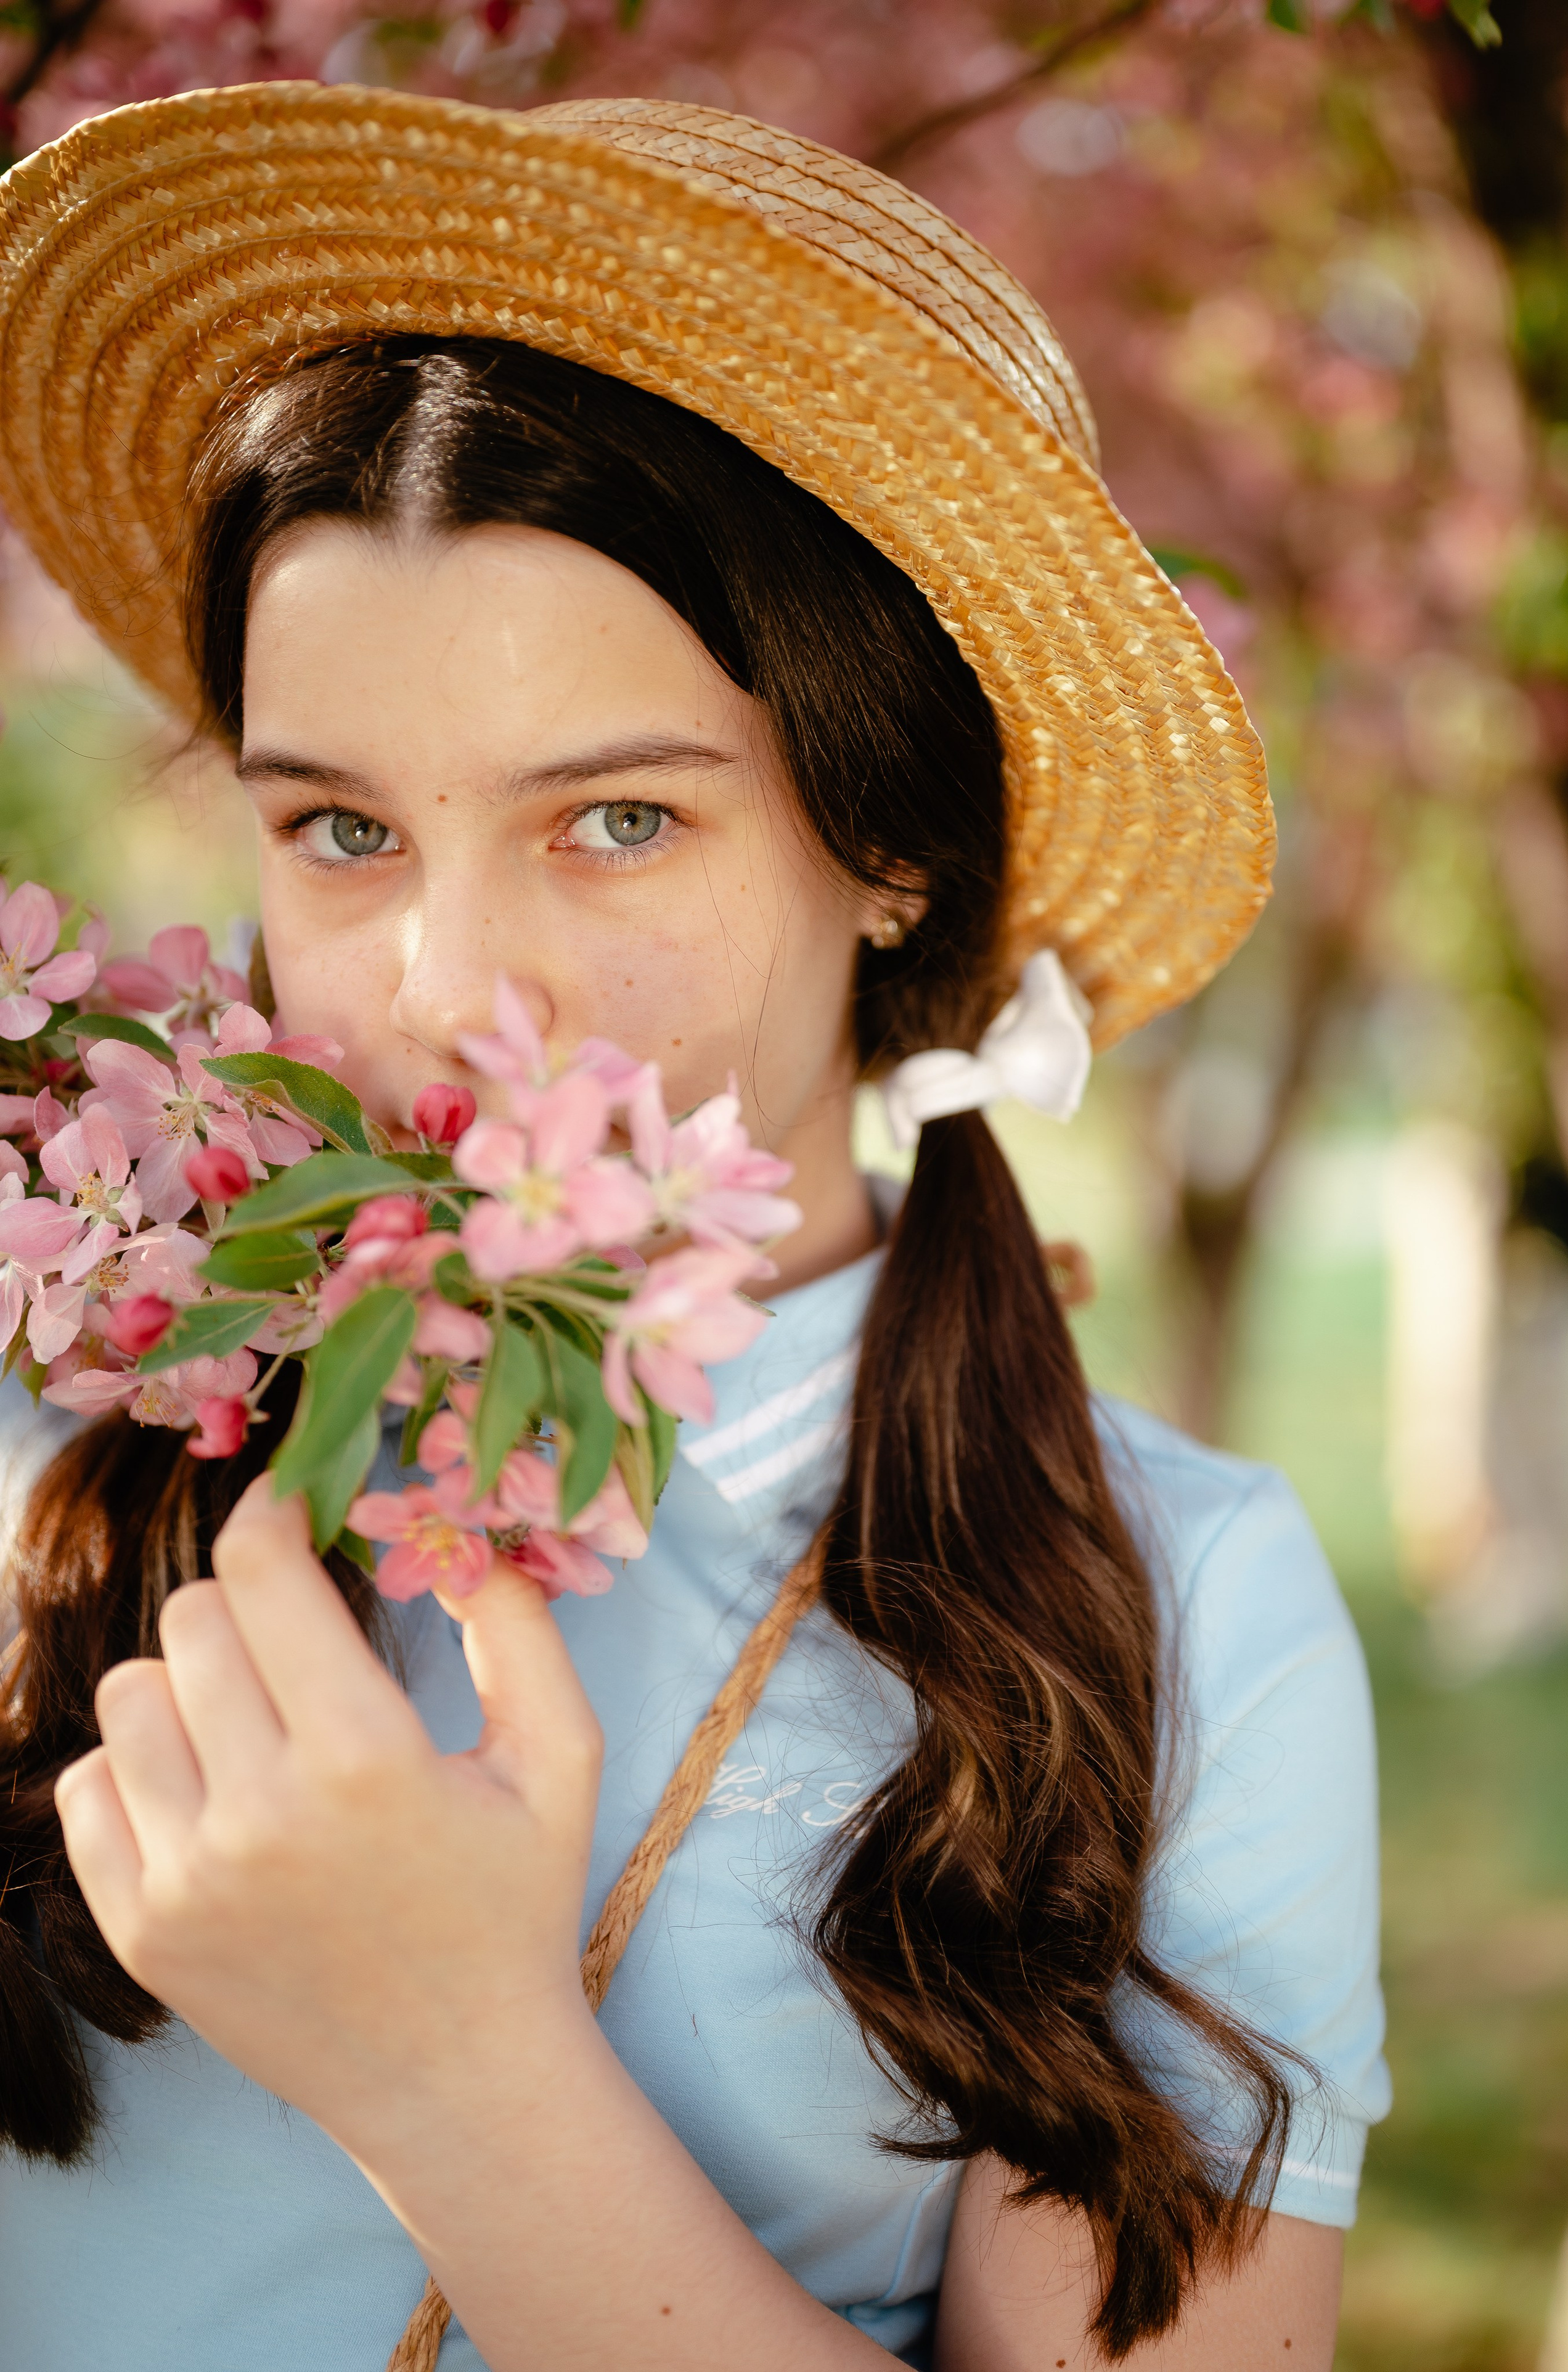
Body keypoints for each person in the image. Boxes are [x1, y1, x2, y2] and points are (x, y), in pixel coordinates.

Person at [0, 87, 1387, 2372]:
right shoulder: (64, 1392)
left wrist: (456, 2069)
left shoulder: (1172, 1619)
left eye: (617, 818)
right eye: (340, 831)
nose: (448, 988)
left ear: (889, 845)